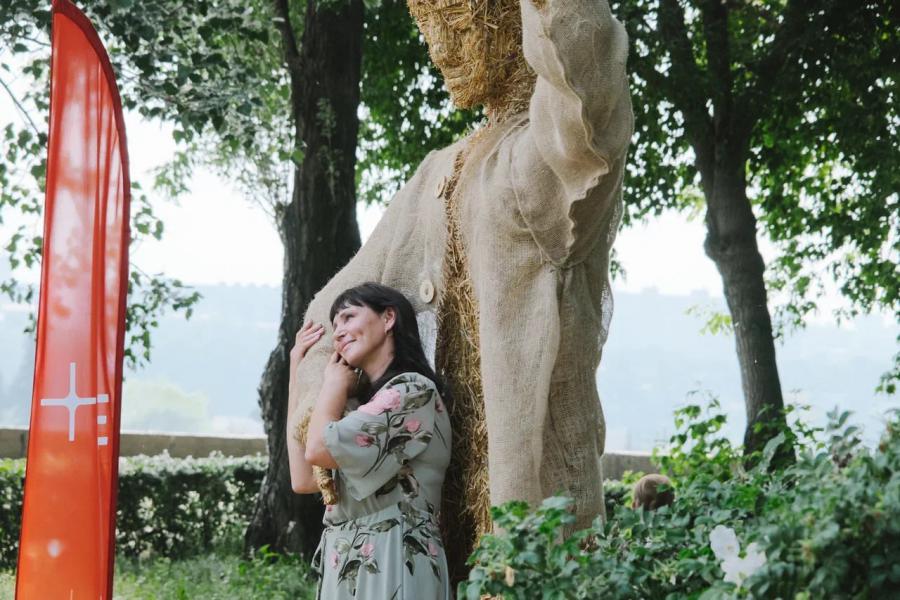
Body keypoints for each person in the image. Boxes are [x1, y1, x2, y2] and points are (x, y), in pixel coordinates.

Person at [294, 0, 632, 576]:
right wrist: (319, 380)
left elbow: (587, 81)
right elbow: (335, 307)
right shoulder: (437, 170)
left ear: (512, 21)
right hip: (426, 506)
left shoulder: (541, 153)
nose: (442, 49)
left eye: (459, 24)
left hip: (524, 474)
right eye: (430, 31)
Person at [288, 283, 453, 599]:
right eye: (334, 325)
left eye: (348, 317)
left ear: (388, 318)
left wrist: (333, 385)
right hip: (345, 563)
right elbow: (303, 478)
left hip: (394, 556)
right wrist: (298, 368)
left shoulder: (412, 392)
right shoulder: (353, 411)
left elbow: (318, 449)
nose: (338, 332)